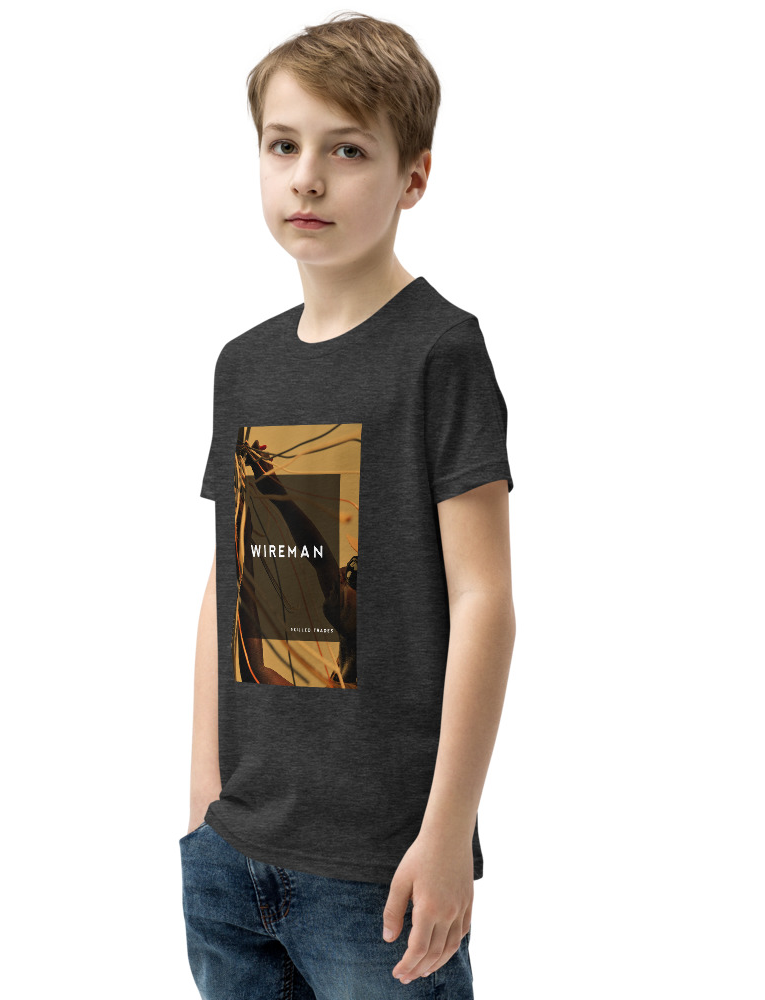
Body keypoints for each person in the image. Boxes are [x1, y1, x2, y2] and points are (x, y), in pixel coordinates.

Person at [182, 12, 516, 998]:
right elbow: (228, 584)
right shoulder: (244, 364)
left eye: (347, 150)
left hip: (379, 873)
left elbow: (486, 601)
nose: (307, 179)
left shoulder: (439, 351)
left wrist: (447, 833)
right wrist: (203, 804)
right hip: (233, 857)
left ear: (414, 176)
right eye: (283, 145)